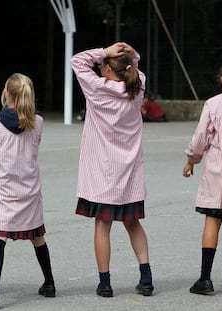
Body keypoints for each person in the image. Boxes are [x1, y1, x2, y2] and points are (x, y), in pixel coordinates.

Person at [71, 42, 154, 297]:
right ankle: (146, 277)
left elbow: (77, 61)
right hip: (129, 173)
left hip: (103, 174)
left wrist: (103, 51)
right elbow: (136, 67)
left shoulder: (97, 89)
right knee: (133, 223)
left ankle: (105, 283)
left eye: (102, 65)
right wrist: (131, 53)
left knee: (102, 225)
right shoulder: (137, 86)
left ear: (107, 68)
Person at [0, 73, 56, 310]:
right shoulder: (38, 122)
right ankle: (49, 282)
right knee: (37, 236)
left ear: (6, 93)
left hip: (1, 190)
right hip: (28, 189)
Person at [183, 59, 222, 295]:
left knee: (212, 221)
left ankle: (205, 279)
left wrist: (191, 160)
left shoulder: (213, 104)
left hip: (217, 173)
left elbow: (201, 138)